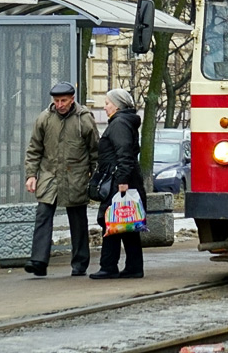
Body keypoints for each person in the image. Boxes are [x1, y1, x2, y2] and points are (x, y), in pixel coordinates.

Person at [24, 81, 100, 277]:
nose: (60, 104)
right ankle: (38, 261)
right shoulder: (45, 119)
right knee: (43, 214)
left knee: (78, 221)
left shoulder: (84, 119)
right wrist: (31, 175)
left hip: (76, 177)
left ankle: (80, 263)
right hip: (50, 175)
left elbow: (95, 151)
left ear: (72, 99)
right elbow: (34, 149)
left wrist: (96, 177)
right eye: (56, 101)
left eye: (63, 100)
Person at [91, 88, 145, 280]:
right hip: (124, 179)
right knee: (126, 224)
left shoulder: (119, 124)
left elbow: (124, 154)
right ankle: (133, 266)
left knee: (111, 221)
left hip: (119, 182)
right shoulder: (123, 122)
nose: (104, 107)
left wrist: (122, 182)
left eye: (107, 103)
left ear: (117, 105)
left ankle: (109, 266)